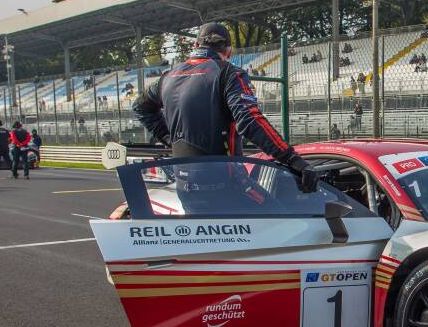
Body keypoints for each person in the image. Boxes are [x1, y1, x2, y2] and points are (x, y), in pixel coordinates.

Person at [132, 22, 316, 202]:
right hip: (227, 185)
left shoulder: (167, 77)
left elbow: (140, 106)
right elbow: (250, 120)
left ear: (196, 45)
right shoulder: (229, 73)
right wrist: (292, 159)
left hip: (185, 188)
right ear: (229, 51)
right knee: (282, 221)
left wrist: (168, 137)